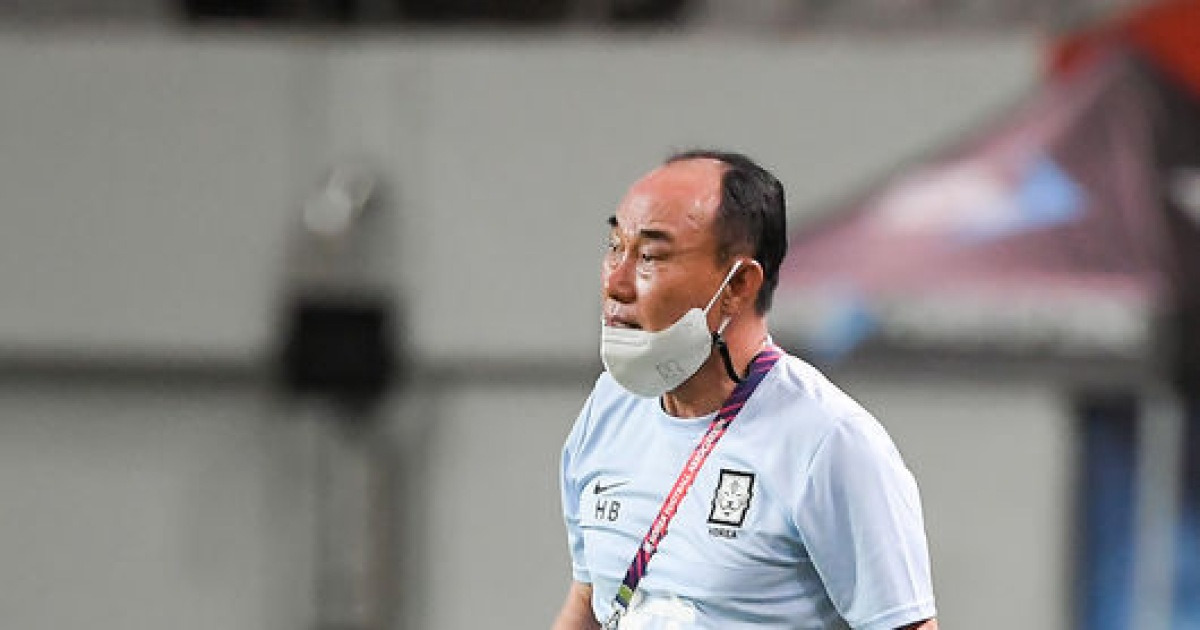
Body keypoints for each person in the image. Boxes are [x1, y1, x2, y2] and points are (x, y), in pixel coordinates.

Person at [553, 150, 937, 630]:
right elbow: (592, 600)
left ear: (737, 285)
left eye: (650, 256)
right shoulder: (610, 408)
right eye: (615, 247)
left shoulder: (829, 441)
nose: (616, 282)